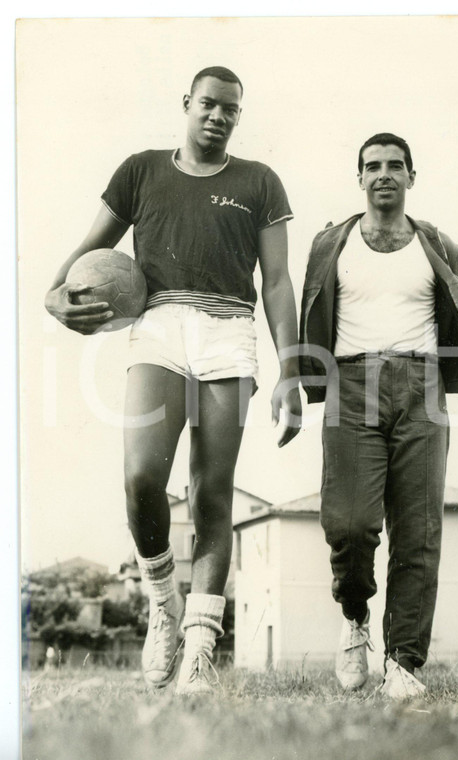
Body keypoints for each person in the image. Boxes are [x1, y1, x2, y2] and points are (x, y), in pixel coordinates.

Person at [45, 66, 302, 696]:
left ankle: (200, 649)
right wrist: (54, 296)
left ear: (239, 117)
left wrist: (292, 369)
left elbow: (275, 281)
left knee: (212, 493)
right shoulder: (140, 170)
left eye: (231, 110)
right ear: (186, 104)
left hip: (229, 330)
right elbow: (88, 249)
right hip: (159, 324)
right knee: (140, 481)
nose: (218, 116)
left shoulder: (260, 182)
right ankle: (163, 601)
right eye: (208, 105)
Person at [299, 133, 458, 699]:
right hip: (351, 382)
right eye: (373, 166)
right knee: (351, 523)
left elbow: (457, 312)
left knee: (419, 530)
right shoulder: (331, 243)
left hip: (422, 386)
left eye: (395, 166)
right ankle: (355, 615)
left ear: (412, 176)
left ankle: (403, 663)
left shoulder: (439, 245)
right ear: (359, 178)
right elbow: (312, 309)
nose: (384, 174)